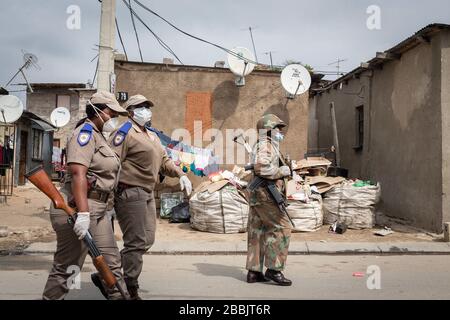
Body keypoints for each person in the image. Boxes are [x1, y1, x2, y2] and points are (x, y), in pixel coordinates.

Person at [43, 91, 129, 300]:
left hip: (98, 211)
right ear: (99, 111)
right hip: (77, 208)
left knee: (111, 263)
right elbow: (77, 174)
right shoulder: (85, 134)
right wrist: (82, 214)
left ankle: (120, 296)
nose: (113, 118)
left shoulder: (101, 137)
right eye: (111, 112)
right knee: (68, 267)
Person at [109, 94, 192, 299]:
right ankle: (130, 285)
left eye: (147, 106)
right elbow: (110, 162)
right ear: (130, 111)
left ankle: (109, 273)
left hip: (146, 192)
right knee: (136, 241)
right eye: (141, 106)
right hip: (130, 191)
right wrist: (109, 194)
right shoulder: (125, 132)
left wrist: (181, 175)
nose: (146, 109)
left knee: (148, 239)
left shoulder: (152, 135)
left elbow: (165, 160)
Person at [246, 114, 294, 286]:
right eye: (277, 128)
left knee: (257, 231)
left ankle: (254, 272)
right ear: (267, 130)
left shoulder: (266, 145)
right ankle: (274, 270)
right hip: (266, 195)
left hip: (258, 195)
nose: (280, 131)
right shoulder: (266, 145)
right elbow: (261, 167)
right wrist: (282, 171)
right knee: (282, 227)